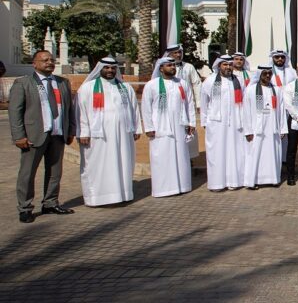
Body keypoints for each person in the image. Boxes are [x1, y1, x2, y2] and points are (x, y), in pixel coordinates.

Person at [9, 50, 76, 222]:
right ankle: (25, 208)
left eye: (52, 60)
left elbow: (70, 109)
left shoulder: (62, 83)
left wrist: (70, 130)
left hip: (57, 134)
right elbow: (15, 112)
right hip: (33, 136)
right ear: (35, 63)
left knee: (55, 172)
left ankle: (50, 203)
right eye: (45, 60)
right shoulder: (23, 83)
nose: (49, 62)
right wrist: (19, 136)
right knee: (27, 173)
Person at [77, 57, 140, 206]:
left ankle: (122, 195)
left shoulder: (126, 87)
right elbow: (80, 112)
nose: (110, 71)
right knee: (97, 164)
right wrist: (83, 132)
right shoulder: (88, 88)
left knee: (123, 161)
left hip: (123, 134)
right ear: (100, 69)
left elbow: (134, 109)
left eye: (113, 68)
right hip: (98, 136)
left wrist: (136, 128)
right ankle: (97, 198)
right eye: (107, 68)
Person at [142, 57, 197, 197]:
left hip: (180, 126)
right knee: (161, 156)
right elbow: (146, 107)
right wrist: (148, 127)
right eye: (169, 65)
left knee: (181, 156)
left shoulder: (182, 84)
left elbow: (189, 103)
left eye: (174, 65)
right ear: (161, 68)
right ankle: (163, 189)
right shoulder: (152, 85)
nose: (173, 67)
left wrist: (191, 123)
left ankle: (182, 186)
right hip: (160, 127)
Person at [201, 55, 248, 192]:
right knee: (217, 152)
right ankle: (217, 183)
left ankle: (235, 181)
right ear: (219, 66)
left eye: (230, 65)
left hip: (236, 122)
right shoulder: (209, 81)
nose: (228, 67)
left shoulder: (238, 81)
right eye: (225, 65)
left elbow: (244, 101)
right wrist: (205, 121)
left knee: (236, 151)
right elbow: (204, 103)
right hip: (216, 124)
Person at [242, 64, 284, 189]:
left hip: (272, 128)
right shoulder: (251, 90)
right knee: (255, 154)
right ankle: (253, 181)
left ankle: (273, 179)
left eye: (269, 73)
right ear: (259, 74)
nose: (267, 75)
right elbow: (246, 112)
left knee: (272, 154)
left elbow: (281, 110)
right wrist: (248, 130)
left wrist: (282, 129)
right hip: (256, 129)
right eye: (265, 73)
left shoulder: (277, 90)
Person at [166, 44, 203, 160]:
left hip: (186, 104)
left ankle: (189, 158)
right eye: (175, 53)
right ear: (170, 54)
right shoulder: (165, 67)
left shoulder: (189, 67)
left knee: (189, 129)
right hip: (169, 106)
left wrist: (199, 103)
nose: (178, 55)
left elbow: (196, 84)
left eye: (179, 52)